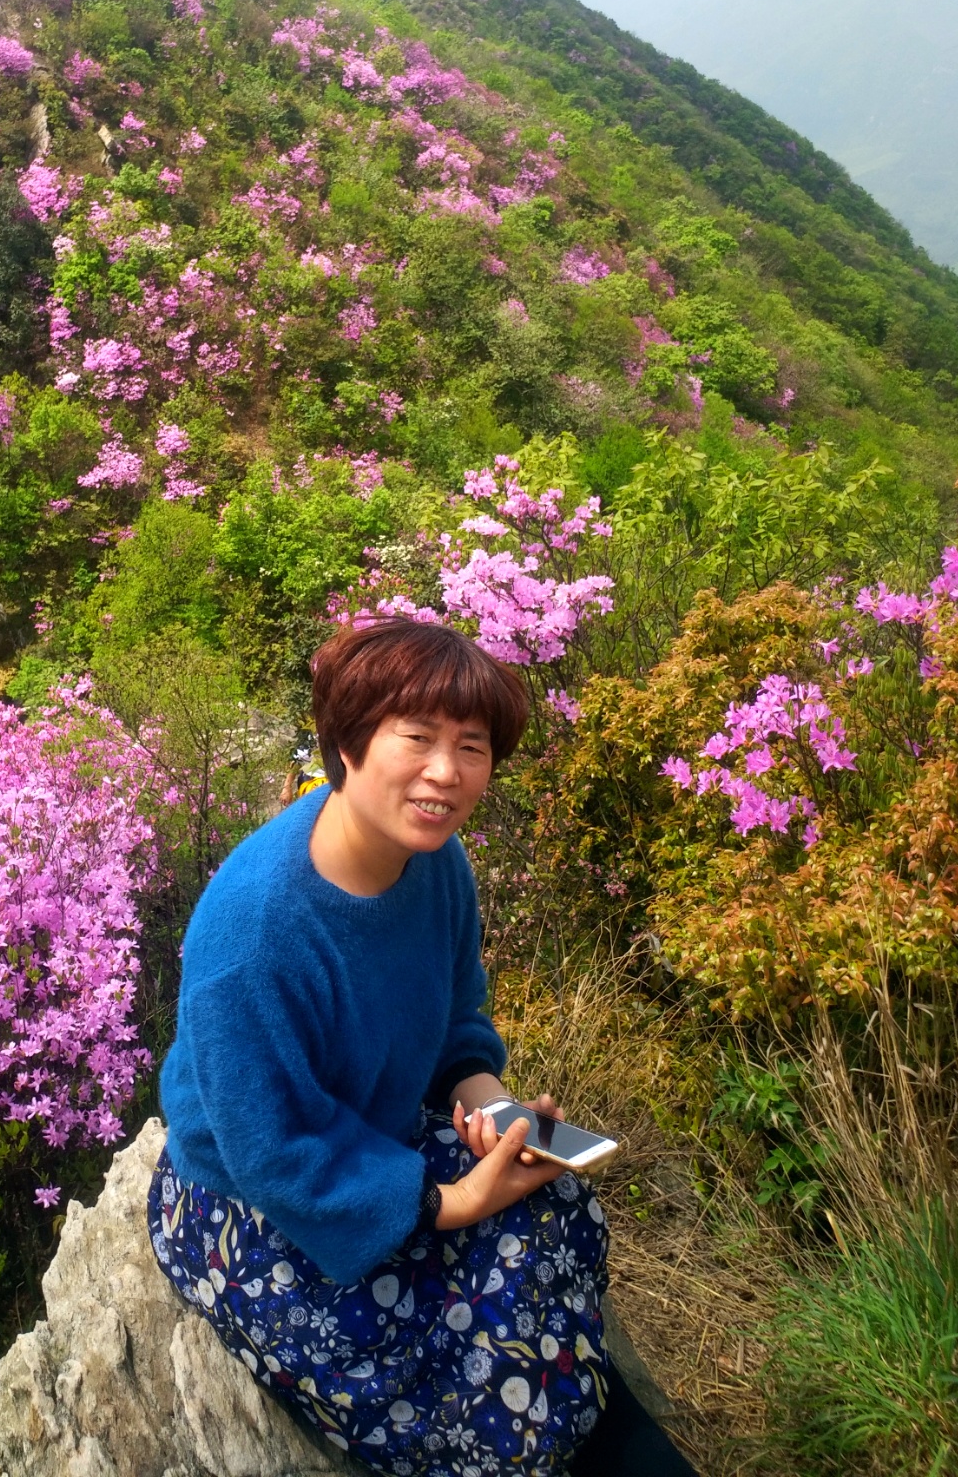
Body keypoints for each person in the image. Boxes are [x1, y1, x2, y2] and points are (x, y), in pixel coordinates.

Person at [149, 618, 697, 1476]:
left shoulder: (436, 863)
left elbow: (454, 1015)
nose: (446, 772)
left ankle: (583, 1417)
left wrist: (485, 1098)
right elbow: (271, 1151)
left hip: (376, 1141)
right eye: (418, 738)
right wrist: (450, 1203)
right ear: (349, 742)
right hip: (260, 1207)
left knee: (551, 1210)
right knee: (447, 1366)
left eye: (471, 747)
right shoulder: (255, 930)